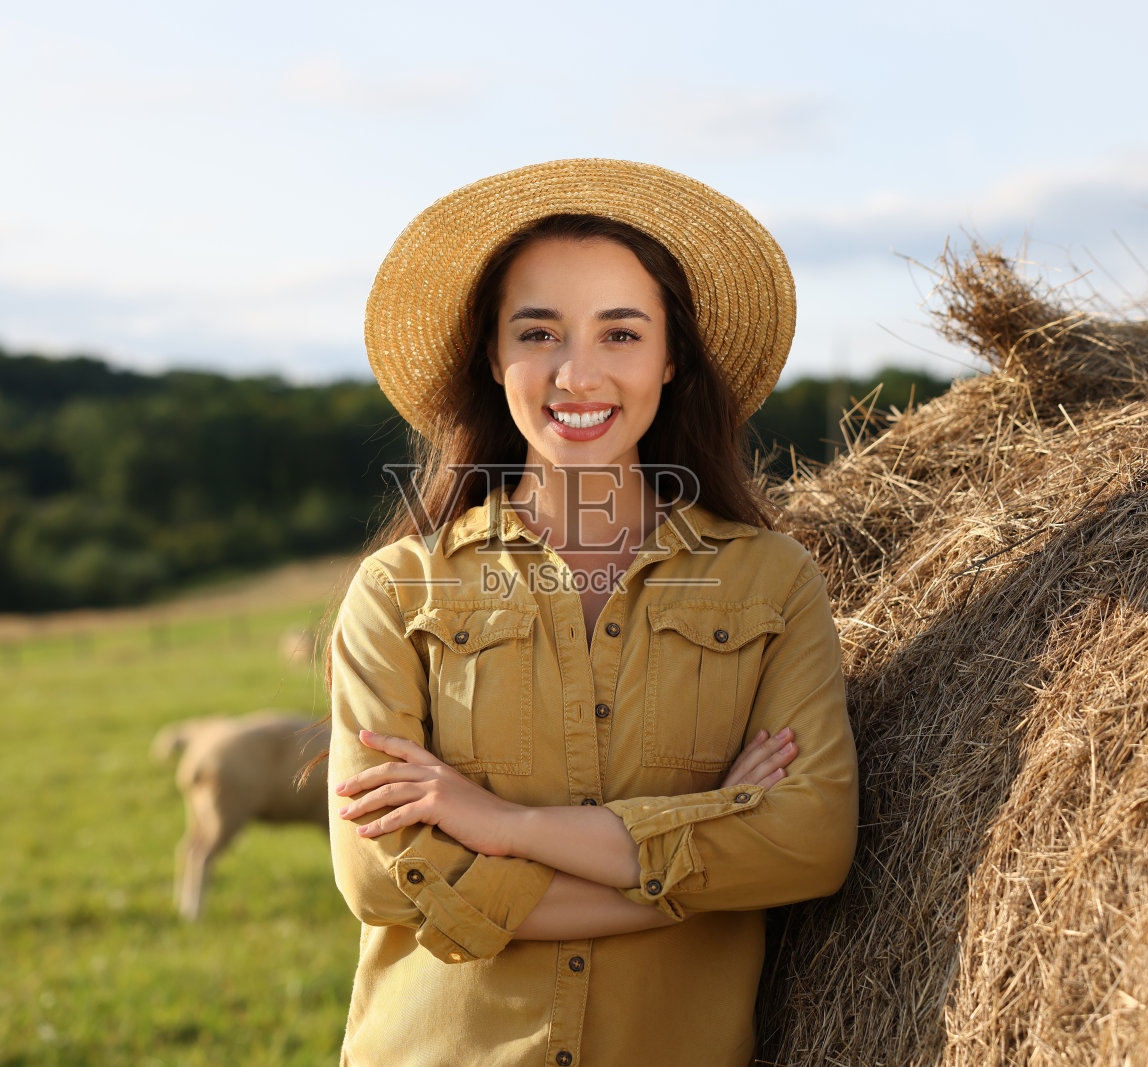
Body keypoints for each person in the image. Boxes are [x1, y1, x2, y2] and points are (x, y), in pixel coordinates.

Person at [326, 158, 857, 1067]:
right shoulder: (398, 591)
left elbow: (808, 843)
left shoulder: (771, 583)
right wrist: (700, 852)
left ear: (670, 355)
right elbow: (382, 874)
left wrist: (502, 828)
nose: (578, 375)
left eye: (620, 333)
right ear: (494, 358)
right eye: (539, 333)